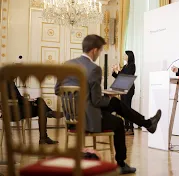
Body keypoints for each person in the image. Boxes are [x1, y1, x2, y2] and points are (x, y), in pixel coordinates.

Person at [54, 34, 162, 174]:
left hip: (71, 119)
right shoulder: (94, 68)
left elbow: (57, 90)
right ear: (94, 50)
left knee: (115, 102)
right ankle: (121, 163)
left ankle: (147, 123)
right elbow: (96, 101)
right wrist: (107, 98)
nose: (99, 54)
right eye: (100, 51)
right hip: (87, 120)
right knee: (118, 122)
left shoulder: (66, 65)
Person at [5, 80, 60, 144]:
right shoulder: (8, 82)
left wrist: (30, 101)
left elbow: (17, 98)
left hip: (12, 111)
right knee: (40, 103)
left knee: (40, 103)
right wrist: (30, 101)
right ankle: (44, 137)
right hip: (14, 113)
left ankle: (50, 113)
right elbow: (17, 99)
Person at [112, 50, 136, 135]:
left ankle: (130, 128)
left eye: (125, 55)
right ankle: (126, 127)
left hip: (129, 89)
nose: (124, 56)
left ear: (129, 56)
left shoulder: (132, 65)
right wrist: (115, 71)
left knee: (127, 108)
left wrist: (119, 70)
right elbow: (119, 77)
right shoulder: (126, 66)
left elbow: (126, 76)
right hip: (123, 89)